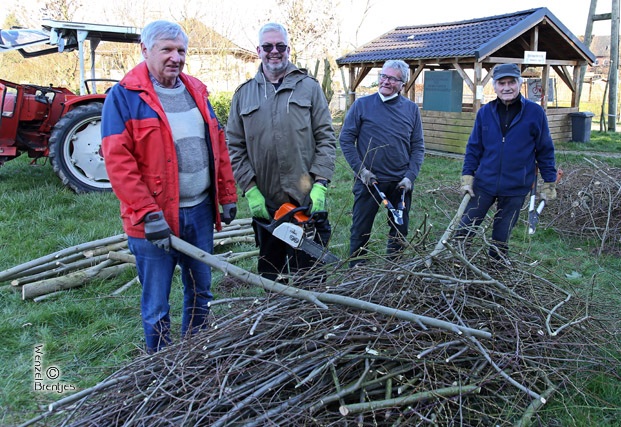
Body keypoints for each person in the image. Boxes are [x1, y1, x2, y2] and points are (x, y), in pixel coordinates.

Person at [101, 20, 238, 354]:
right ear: (145, 50)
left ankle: (195, 354)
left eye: (181, 50)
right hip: (155, 220)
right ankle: (160, 366)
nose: (175, 57)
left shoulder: (197, 90)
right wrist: (148, 214)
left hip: (201, 212)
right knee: (157, 303)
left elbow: (217, 147)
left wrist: (227, 193)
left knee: (201, 290)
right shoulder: (124, 98)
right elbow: (119, 164)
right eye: (167, 49)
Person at [226, 22, 336, 281]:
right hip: (267, 204)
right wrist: (250, 188)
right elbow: (234, 145)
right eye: (267, 46)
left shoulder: (309, 87)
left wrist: (321, 182)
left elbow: (326, 138)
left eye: (280, 46)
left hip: (305, 199)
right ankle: (274, 318)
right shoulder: (244, 94)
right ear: (258, 50)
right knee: (271, 275)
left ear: (288, 49)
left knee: (310, 276)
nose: (274, 51)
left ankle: (310, 319)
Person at [455, 63, 557, 266]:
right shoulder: (485, 112)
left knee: (500, 237)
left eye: (512, 82)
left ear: (519, 84)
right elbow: (474, 147)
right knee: (464, 230)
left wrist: (549, 182)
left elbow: (545, 149)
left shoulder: (535, 113)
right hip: (484, 184)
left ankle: (495, 273)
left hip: (515, 187)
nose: (507, 87)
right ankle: (457, 264)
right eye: (502, 83)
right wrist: (468, 176)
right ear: (494, 86)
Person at [339, 59, 425, 267]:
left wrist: (410, 176)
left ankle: (392, 269)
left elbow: (418, 147)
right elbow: (345, 139)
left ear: (402, 83)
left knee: (399, 229)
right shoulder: (362, 105)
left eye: (392, 79)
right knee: (361, 228)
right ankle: (357, 269)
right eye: (383, 76)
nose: (386, 81)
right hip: (370, 182)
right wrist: (362, 171)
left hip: (399, 182)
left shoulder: (411, 109)